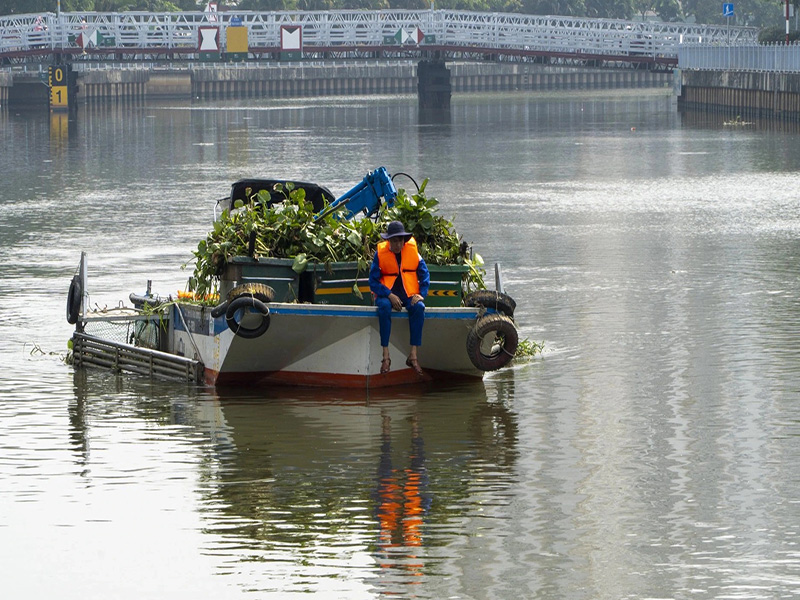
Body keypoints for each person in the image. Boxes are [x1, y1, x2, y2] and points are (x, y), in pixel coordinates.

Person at [369, 221, 430, 376]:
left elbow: (425, 274)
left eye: (400, 241)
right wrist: (389, 295)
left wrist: (421, 294)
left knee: (419, 308)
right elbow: (373, 282)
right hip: (386, 293)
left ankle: (413, 355)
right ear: (389, 241)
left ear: (404, 241)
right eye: (394, 241)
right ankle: (386, 355)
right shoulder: (380, 254)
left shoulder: (413, 252)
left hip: (408, 293)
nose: (398, 244)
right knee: (383, 308)